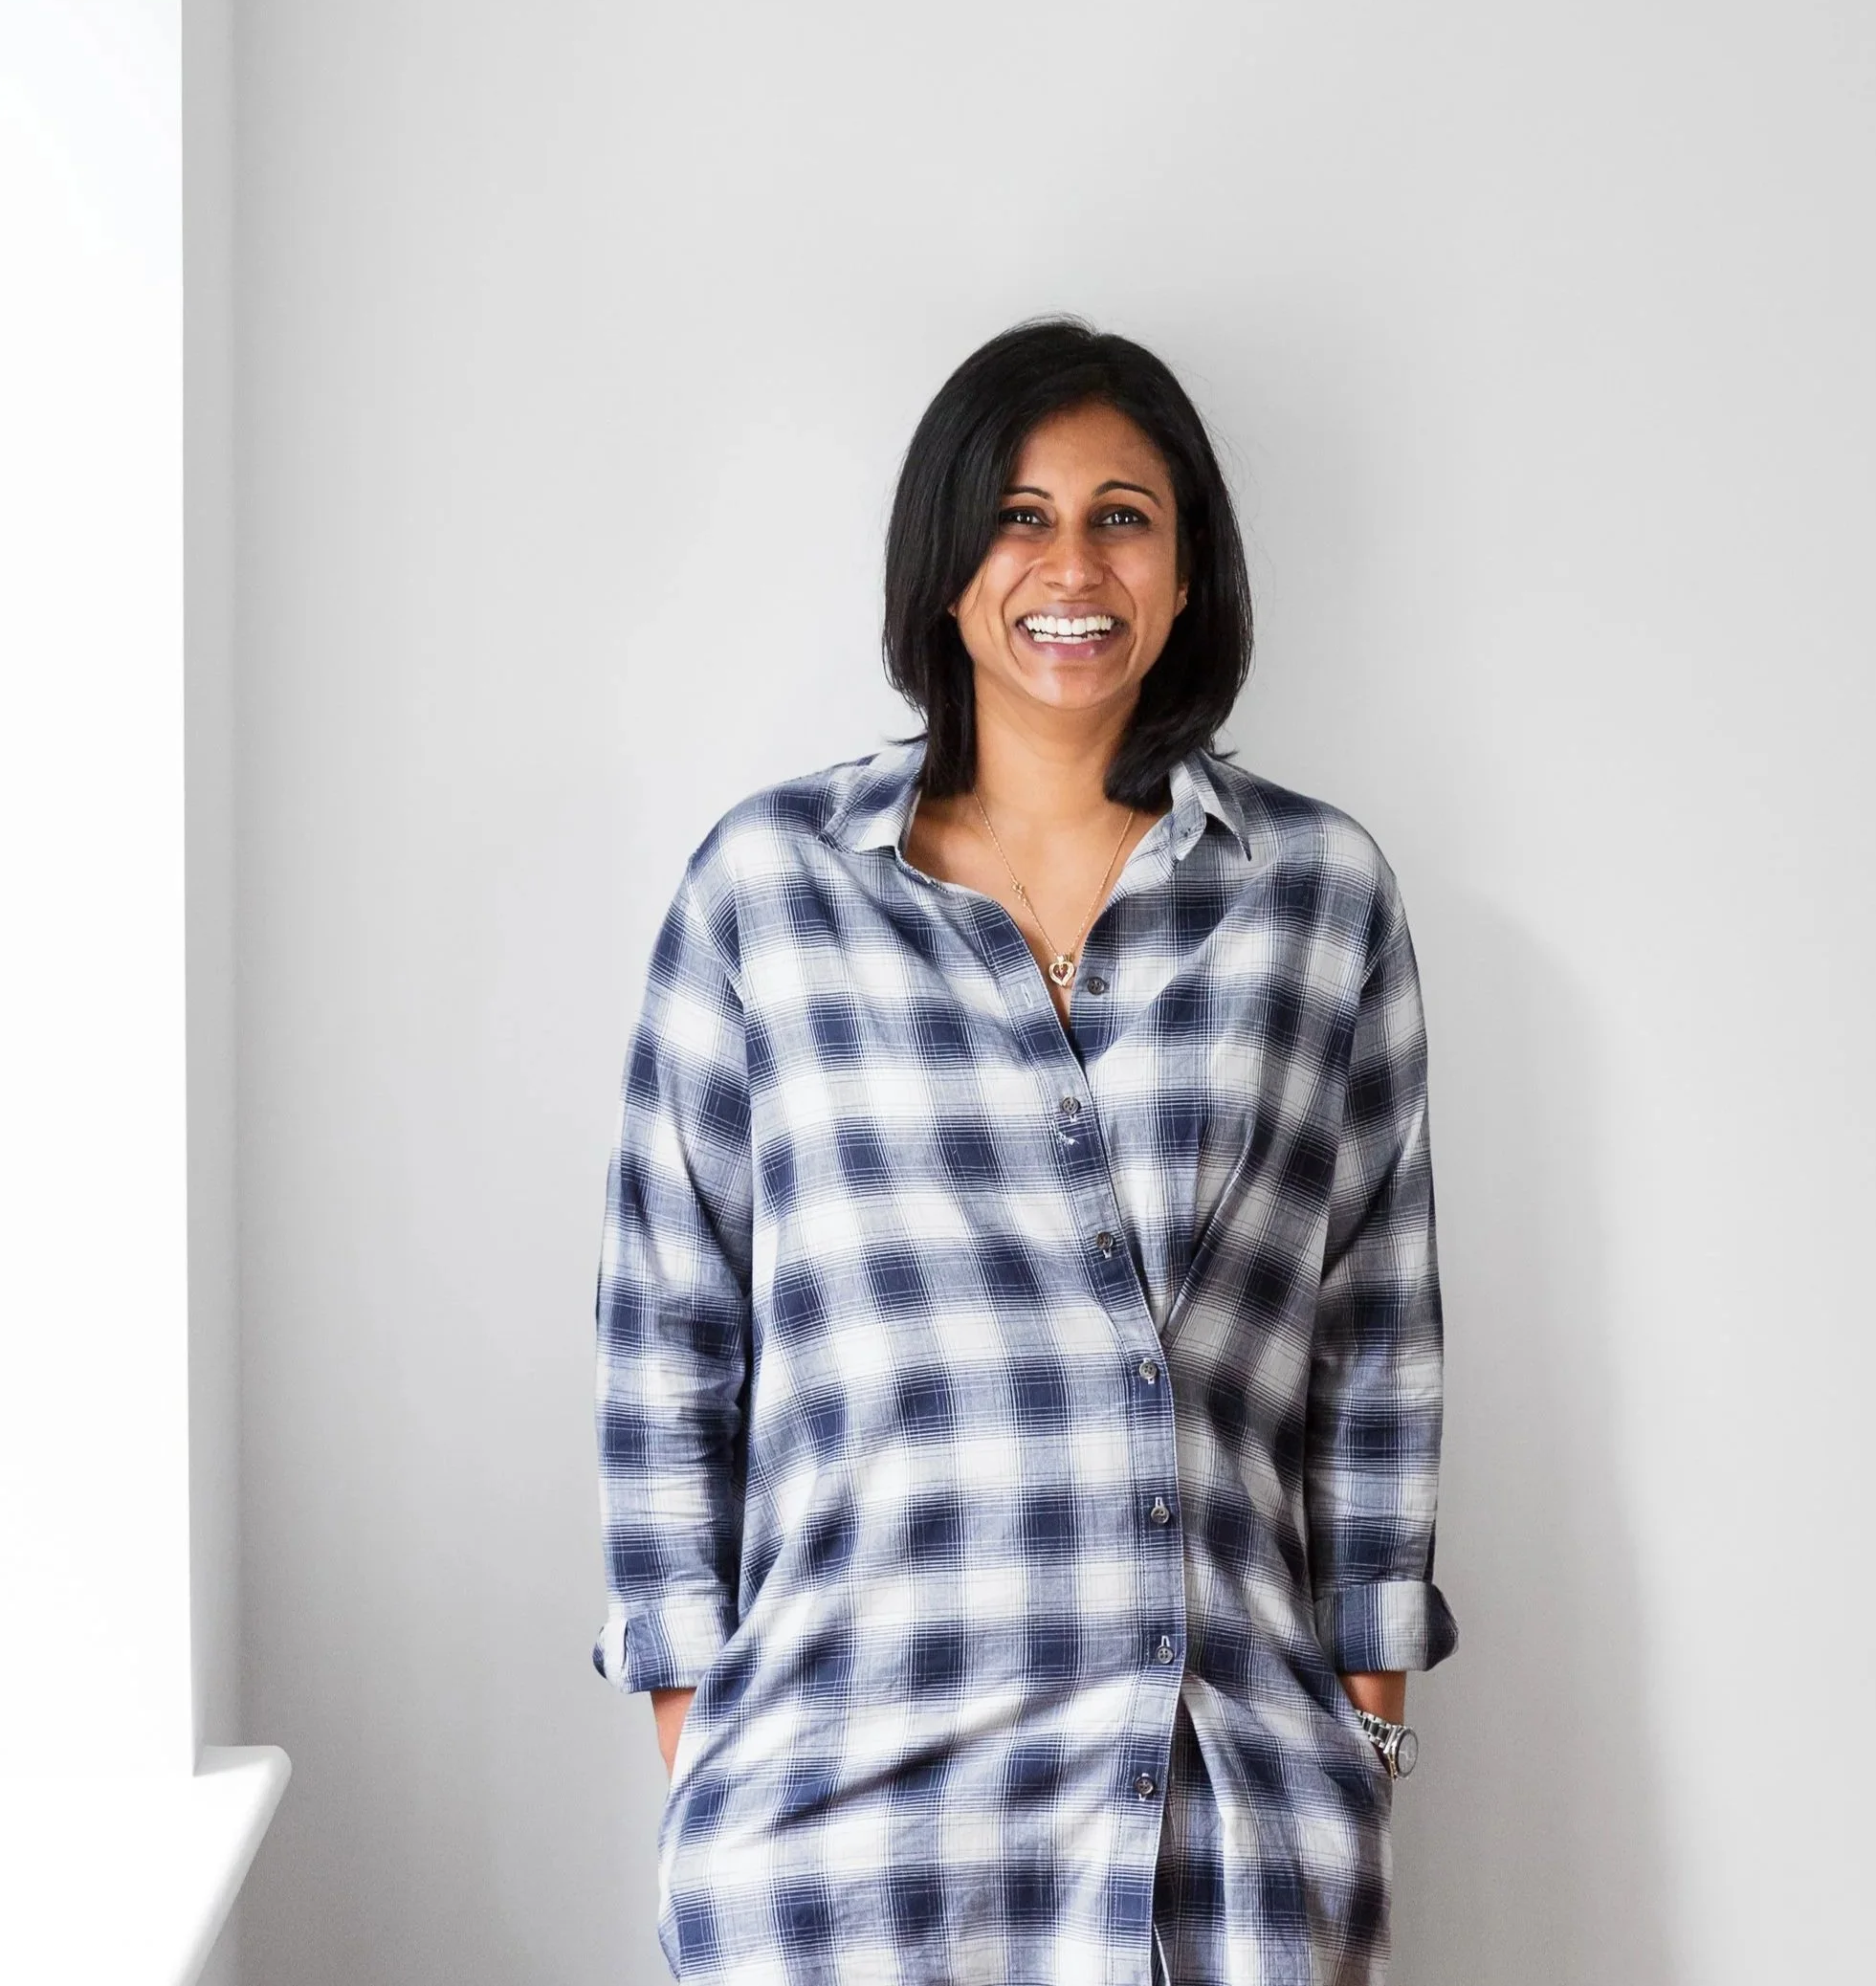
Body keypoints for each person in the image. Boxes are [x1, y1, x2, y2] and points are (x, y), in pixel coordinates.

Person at [594, 319, 1457, 1985]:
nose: (1072, 566)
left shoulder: (1318, 898)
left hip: (1213, 1829)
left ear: (1188, 572)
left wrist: (1360, 1741)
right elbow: (666, 1334)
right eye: (1019, 516)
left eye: (1123, 517)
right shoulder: (769, 892)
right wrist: (701, 1734)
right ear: (944, 565)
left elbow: (1376, 1353)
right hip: (832, 1841)